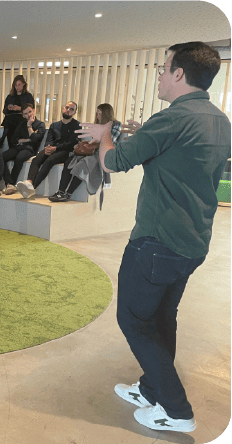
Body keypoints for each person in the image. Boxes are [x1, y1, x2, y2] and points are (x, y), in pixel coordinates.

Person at [76, 41, 230, 434]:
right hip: (193, 240)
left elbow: (113, 161)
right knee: (163, 317)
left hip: (157, 240)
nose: (159, 75)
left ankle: (176, 411)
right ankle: (151, 389)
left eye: (163, 69)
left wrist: (106, 134)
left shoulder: (172, 118)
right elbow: (177, 154)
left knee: (134, 320)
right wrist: (133, 132)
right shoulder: (218, 119)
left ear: (179, 74)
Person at [49, 103, 120, 203]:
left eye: (100, 114)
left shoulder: (115, 124)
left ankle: (68, 194)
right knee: (69, 161)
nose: (98, 116)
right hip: (93, 150)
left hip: (104, 153)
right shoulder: (97, 125)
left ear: (106, 114)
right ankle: (61, 192)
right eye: (97, 114)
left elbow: (110, 141)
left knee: (83, 164)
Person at [16, 101, 79, 198]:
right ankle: (29, 182)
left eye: (71, 109)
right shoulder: (54, 125)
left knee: (49, 160)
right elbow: (49, 139)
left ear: (74, 112)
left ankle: (32, 187)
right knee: (37, 158)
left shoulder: (76, 125)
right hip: (52, 149)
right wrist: (47, 148)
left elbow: (71, 143)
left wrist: (55, 148)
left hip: (65, 151)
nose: (68, 111)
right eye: (67, 108)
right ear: (63, 108)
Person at [1, 103, 46, 195]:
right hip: (18, 147)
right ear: (23, 115)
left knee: (20, 158)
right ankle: (9, 183)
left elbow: (35, 140)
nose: (28, 115)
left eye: (29, 112)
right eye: (25, 113)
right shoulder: (21, 124)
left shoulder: (40, 124)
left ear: (33, 110)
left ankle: (12, 183)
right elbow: (14, 140)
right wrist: (29, 138)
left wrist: (29, 127)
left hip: (30, 149)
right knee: (0, 157)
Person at [0, 75, 35, 149]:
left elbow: (31, 109)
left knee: (11, 120)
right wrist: (9, 108)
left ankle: (2, 138)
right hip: (11, 119)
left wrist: (19, 108)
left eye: (19, 85)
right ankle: (5, 141)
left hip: (22, 118)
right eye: (15, 85)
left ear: (23, 84)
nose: (17, 87)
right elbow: (4, 111)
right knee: (9, 119)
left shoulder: (28, 96)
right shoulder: (10, 96)